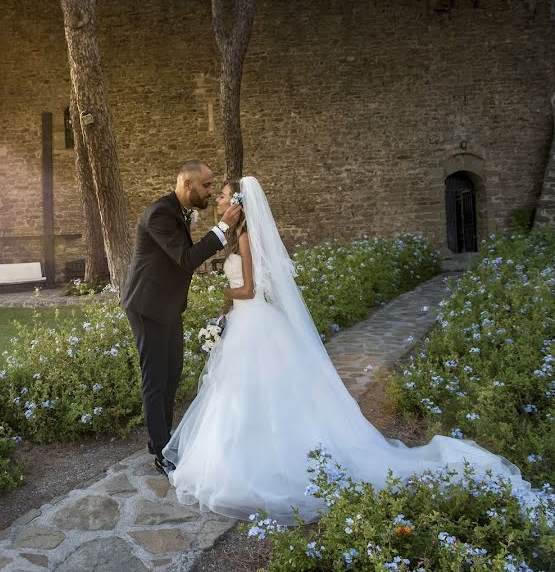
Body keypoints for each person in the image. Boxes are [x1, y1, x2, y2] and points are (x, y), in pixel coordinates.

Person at [162, 175, 533, 523]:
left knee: (257, 393)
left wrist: (219, 288)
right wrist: (223, 312)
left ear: (239, 204)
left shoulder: (245, 239)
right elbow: (239, 290)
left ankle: (267, 462)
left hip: (255, 321)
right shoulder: (234, 237)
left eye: (224, 195)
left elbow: (249, 289)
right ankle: (236, 456)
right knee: (238, 394)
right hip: (243, 322)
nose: (219, 198)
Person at [122, 160, 243, 477]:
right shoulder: (160, 213)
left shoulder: (180, 211)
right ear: (186, 185)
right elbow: (186, 259)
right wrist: (224, 227)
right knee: (155, 378)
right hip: (147, 305)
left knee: (173, 372)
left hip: (168, 305)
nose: (210, 190)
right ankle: (161, 450)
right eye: (206, 185)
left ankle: (162, 441)